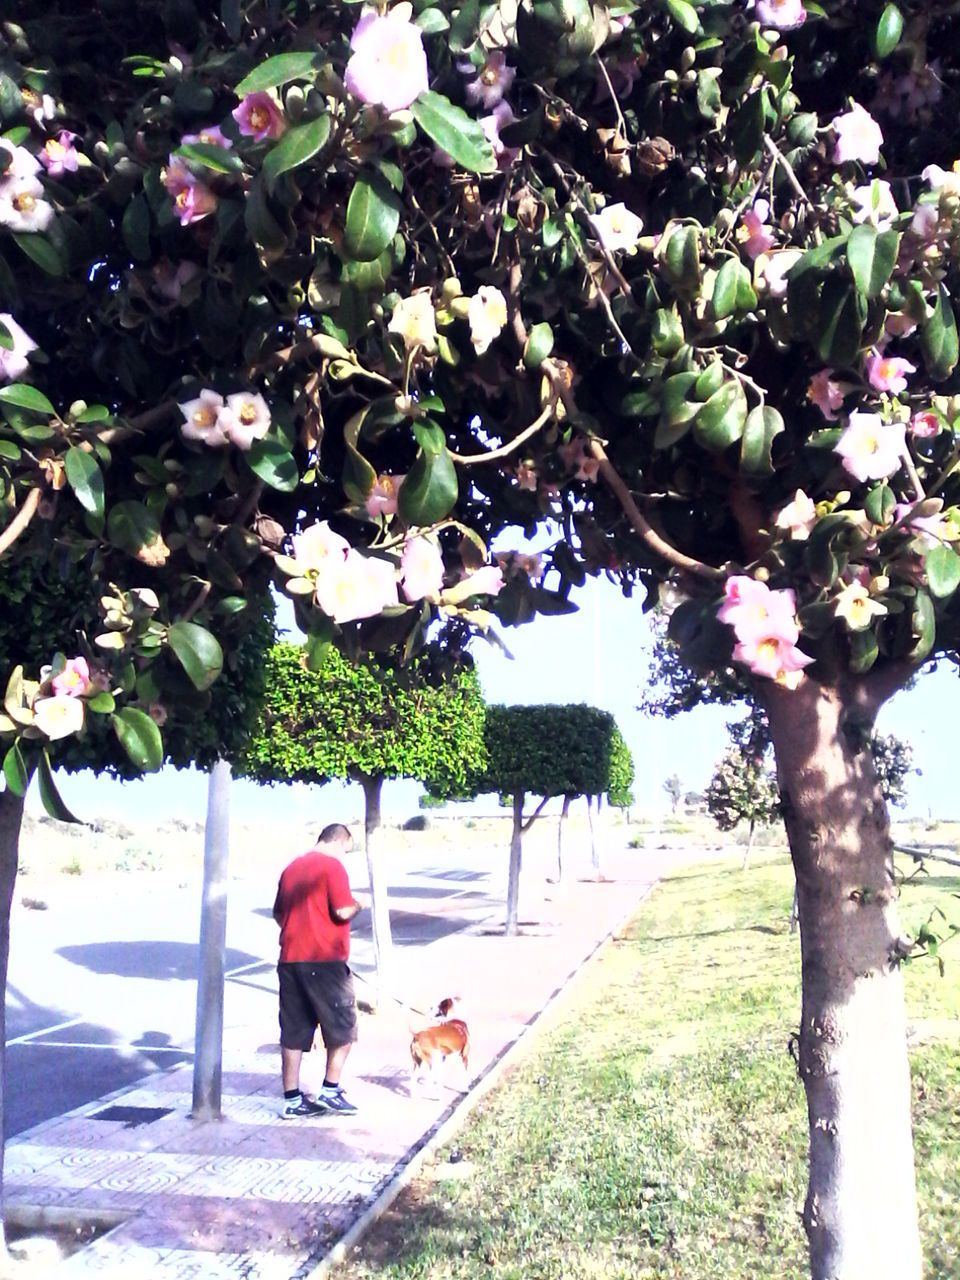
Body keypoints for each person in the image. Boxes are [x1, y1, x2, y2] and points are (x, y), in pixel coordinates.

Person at [273, 822, 364, 1119]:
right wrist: (358, 904)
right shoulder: (332, 867)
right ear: (340, 842)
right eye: (346, 850)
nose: (345, 856)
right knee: (343, 1027)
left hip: (290, 960)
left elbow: (278, 913)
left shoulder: (290, 869)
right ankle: (330, 1089)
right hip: (325, 962)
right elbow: (342, 911)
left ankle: (291, 1099)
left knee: (294, 1030)